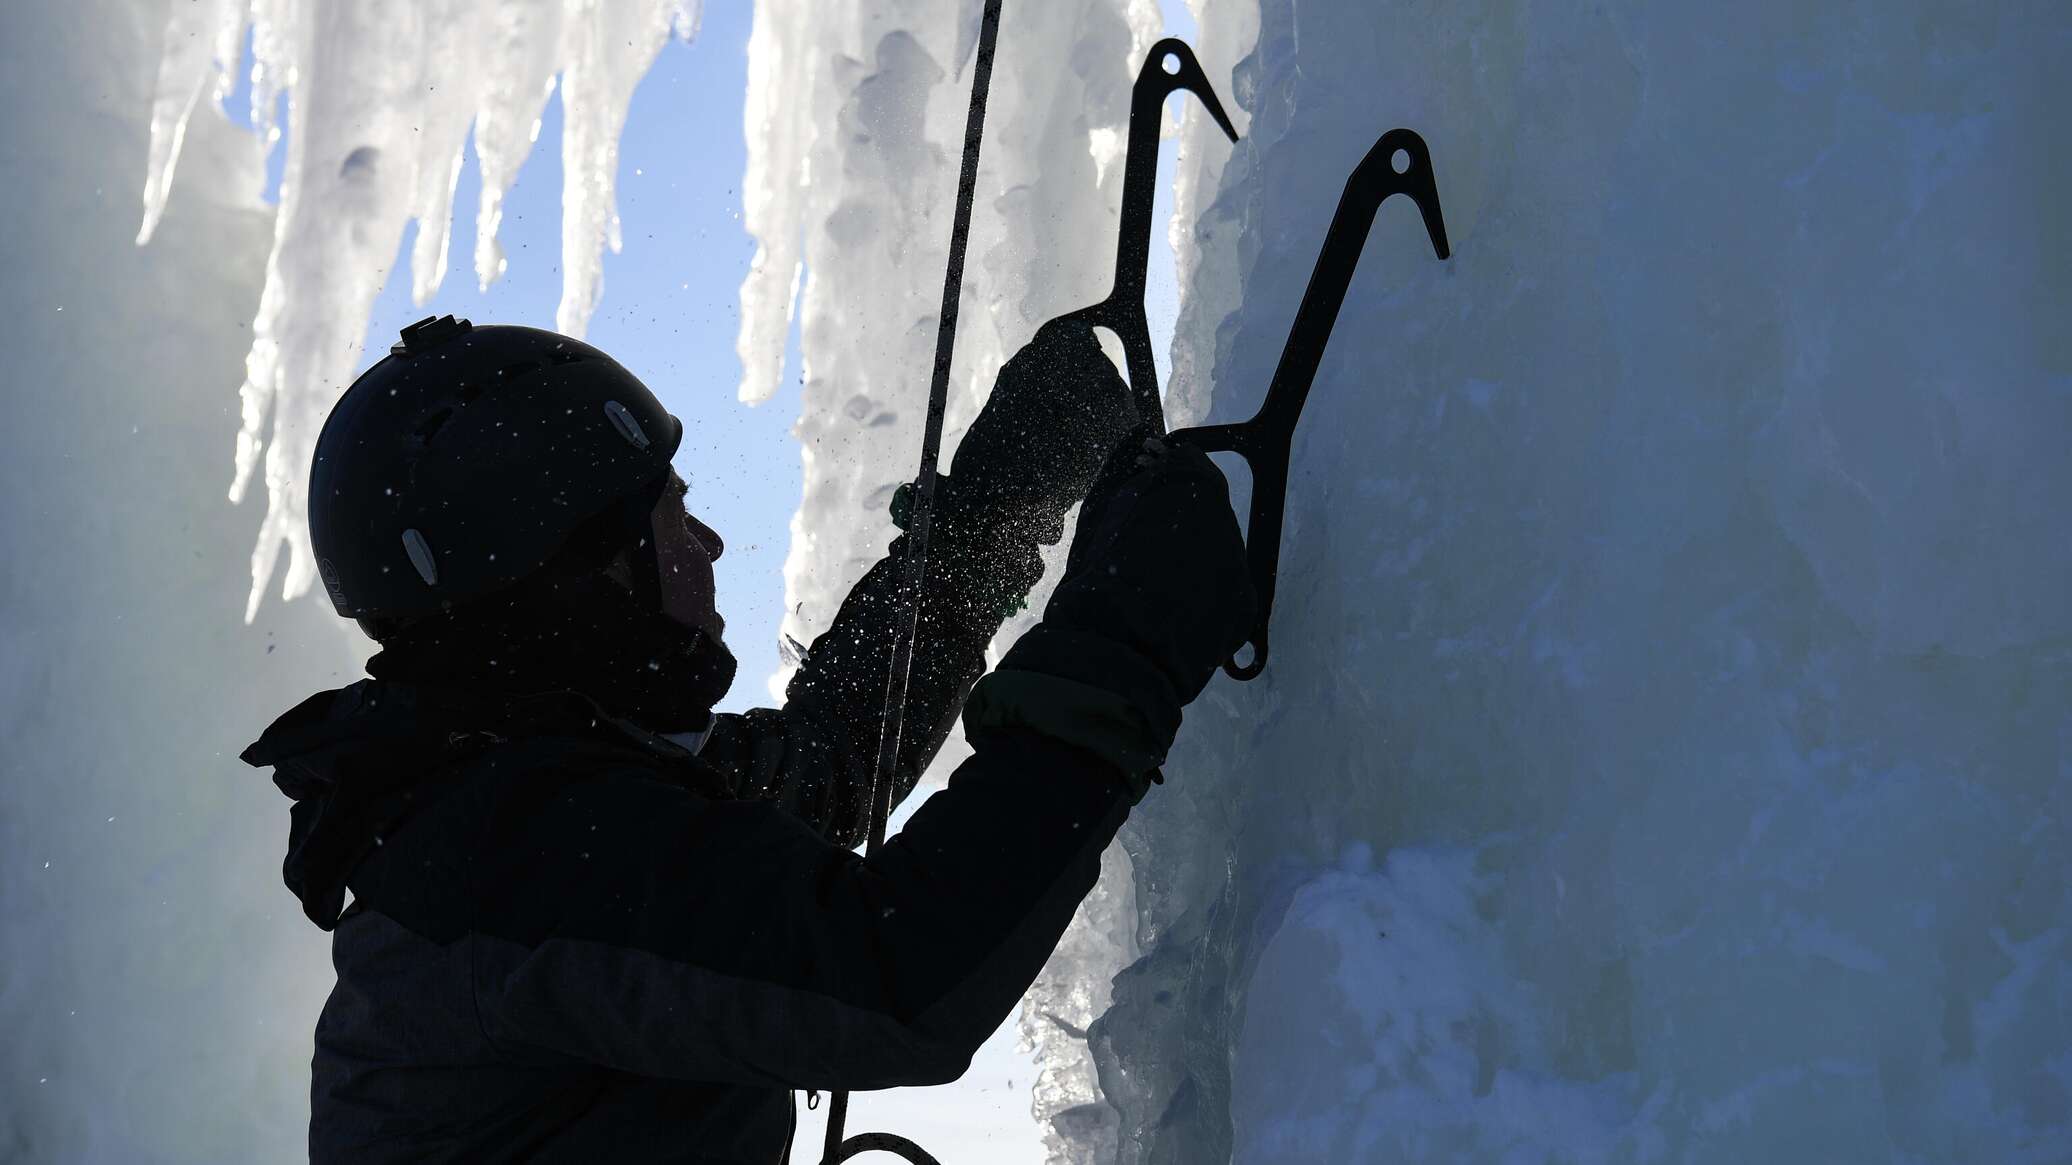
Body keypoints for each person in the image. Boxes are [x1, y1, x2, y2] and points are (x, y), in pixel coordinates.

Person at [243, 312, 1253, 1163]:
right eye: (668, 516)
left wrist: (984, 520)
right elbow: (892, 974)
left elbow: (825, 765)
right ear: (572, 573)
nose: (709, 542)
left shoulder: (515, 792)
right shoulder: (504, 857)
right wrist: (1119, 646)